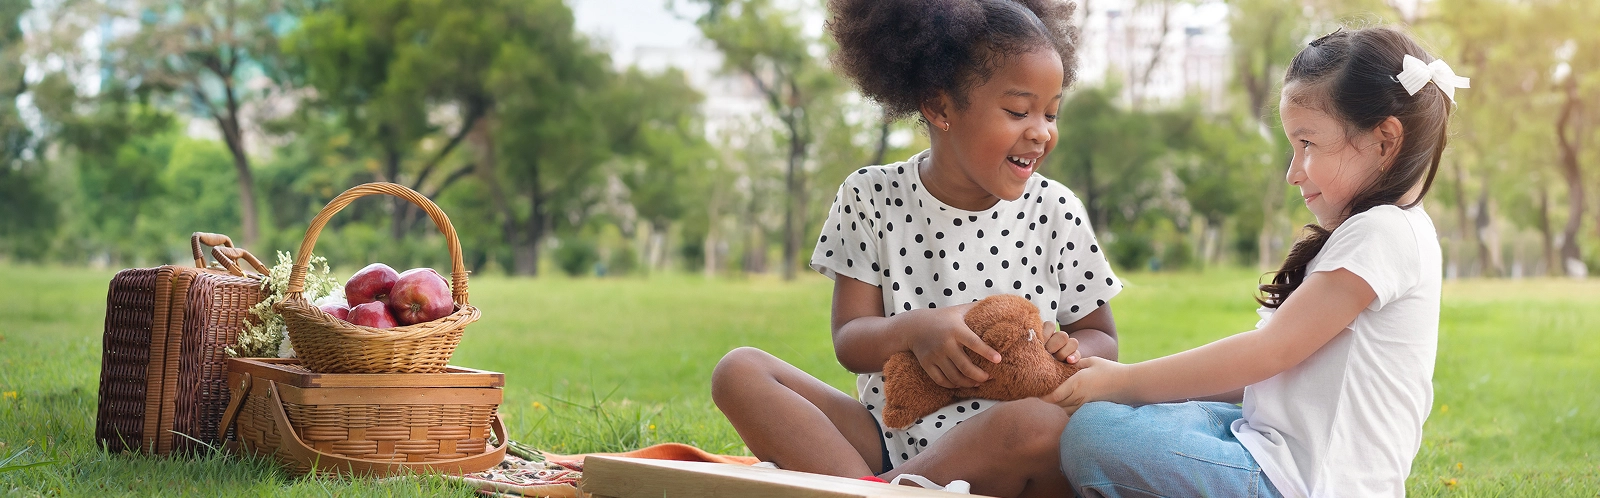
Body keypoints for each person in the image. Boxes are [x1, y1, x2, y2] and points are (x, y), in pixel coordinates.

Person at [709, 1, 1121, 496]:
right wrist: (917, 330)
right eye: (1018, 111)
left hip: (1000, 444)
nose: (1041, 131)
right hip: (888, 433)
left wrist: (1068, 350)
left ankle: (864, 491)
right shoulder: (869, 195)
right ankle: (882, 487)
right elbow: (851, 341)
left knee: (1042, 425)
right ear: (940, 106)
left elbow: (1101, 336)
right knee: (740, 370)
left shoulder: (1056, 209)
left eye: (1051, 112)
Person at [1047, 26, 1465, 497]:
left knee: (1096, 434)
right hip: (1269, 448)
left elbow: (1269, 353)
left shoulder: (1384, 231)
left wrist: (1125, 382)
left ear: (1385, 142)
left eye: (1307, 144)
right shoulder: (1380, 230)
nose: (1292, 172)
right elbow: (1269, 371)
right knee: (1113, 418)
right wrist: (1129, 390)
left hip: (1302, 483)